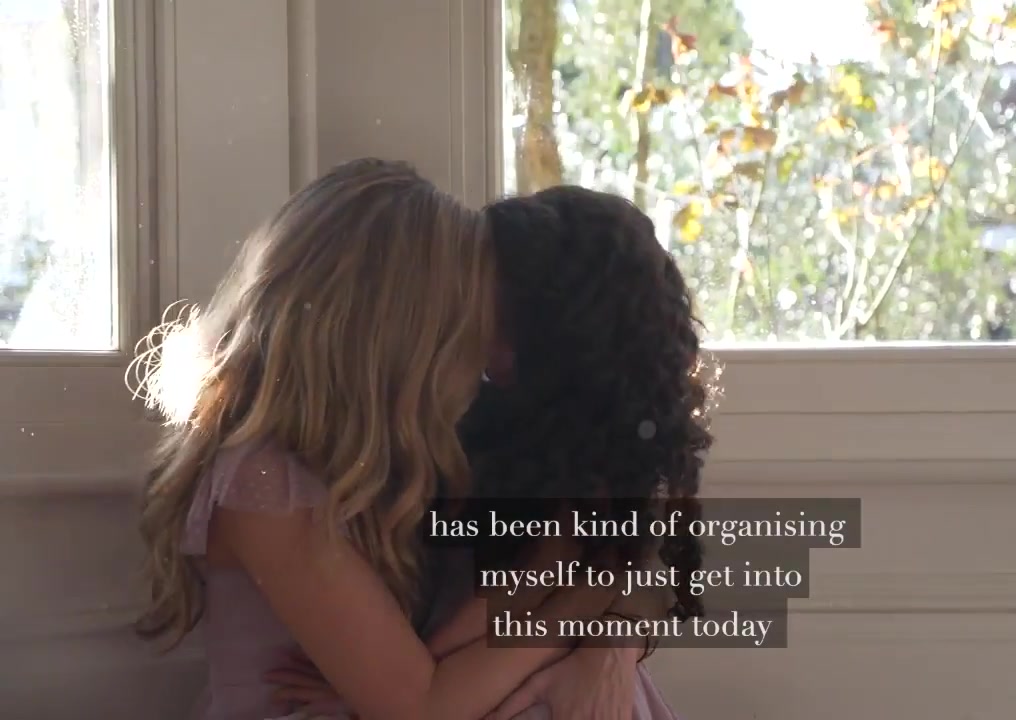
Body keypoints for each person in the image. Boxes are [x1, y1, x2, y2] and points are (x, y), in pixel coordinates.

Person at [132, 159, 617, 720]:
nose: (485, 359)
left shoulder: (387, 455)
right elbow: (419, 708)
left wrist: (606, 642)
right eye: (465, 332)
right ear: (399, 342)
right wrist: (577, 609)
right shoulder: (262, 483)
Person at [268, 186, 720, 719]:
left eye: (507, 316)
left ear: (561, 337)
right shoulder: (468, 409)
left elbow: (533, 599)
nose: (483, 333)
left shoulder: (584, 466)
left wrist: (608, 642)